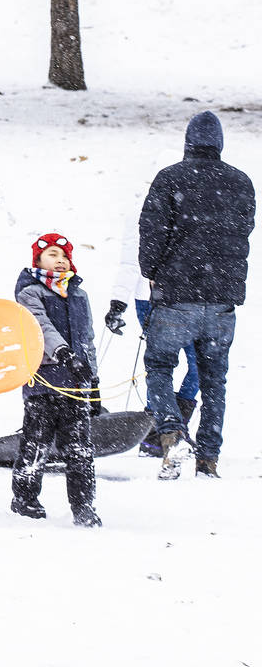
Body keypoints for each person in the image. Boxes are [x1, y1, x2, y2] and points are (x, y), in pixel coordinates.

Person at [139, 111, 255, 480]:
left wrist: (152, 273)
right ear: (220, 144)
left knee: (159, 366)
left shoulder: (171, 177)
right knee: (214, 379)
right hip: (222, 301)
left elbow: (151, 230)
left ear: (188, 142)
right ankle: (209, 457)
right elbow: (244, 230)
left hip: (176, 294)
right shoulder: (241, 182)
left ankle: (172, 435)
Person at [106, 151, 200, 456]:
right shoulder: (142, 212)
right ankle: (157, 433)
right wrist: (118, 302)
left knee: (197, 364)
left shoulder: (194, 210)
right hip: (150, 300)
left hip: (190, 300)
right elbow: (129, 261)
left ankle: (169, 427)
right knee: (162, 366)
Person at [11, 234, 101, 527]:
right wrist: (63, 353)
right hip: (43, 382)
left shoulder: (78, 294)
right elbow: (39, 325)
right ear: (37, 260)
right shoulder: (30, 293)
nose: (60, 260)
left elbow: (87, 338)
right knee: (36, 444)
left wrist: (93, 378)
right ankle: (25, 498)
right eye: (52, 254)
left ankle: (83, 505)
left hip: (76, 385)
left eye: (64, 256)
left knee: (80, 449)